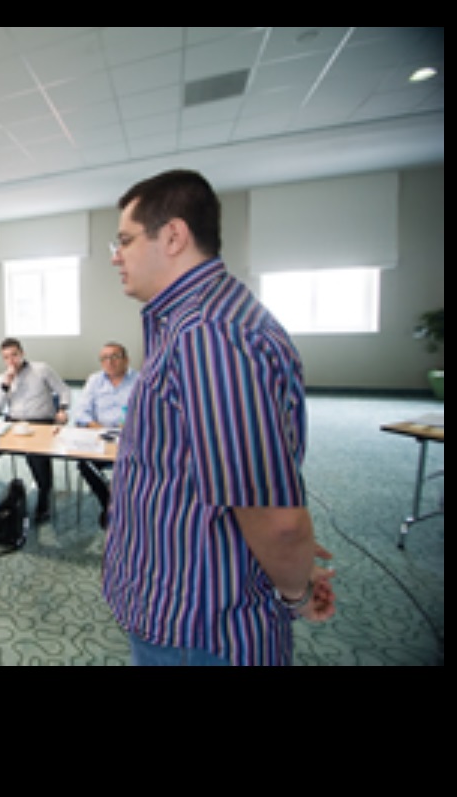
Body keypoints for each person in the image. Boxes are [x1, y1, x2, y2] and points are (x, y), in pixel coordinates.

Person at [104, 169, 337, 667]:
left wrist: (295, 591)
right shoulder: (198, 320)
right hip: (188, 599)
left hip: (199, 627)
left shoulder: (207, 333)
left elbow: (276, 520)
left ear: (173, 236)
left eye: (124, 240)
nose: (115, 256)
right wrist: (286, 563)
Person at [0, 339, 70, 536]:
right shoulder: (3, 378)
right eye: (6, 357)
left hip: (40, 422)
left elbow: (64, 390)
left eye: (14, 355)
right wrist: (5, 385)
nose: (11, 360)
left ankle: (43, 497)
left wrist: (62, 409)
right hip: (13, 424)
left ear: (22, 353)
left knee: (36, 456)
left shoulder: (42, 369)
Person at [71, 342, 138, 530]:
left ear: (126, 360)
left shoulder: (139, 380)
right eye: (104, 358)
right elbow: (81, 413)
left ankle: (125, 504)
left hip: (130, 437)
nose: (109, 362)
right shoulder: (94, 380)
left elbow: (149, 413)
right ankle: (108, 503)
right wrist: (97, 427)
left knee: (133, 464)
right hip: (99, 435)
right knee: (84, 463)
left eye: (115, 356)